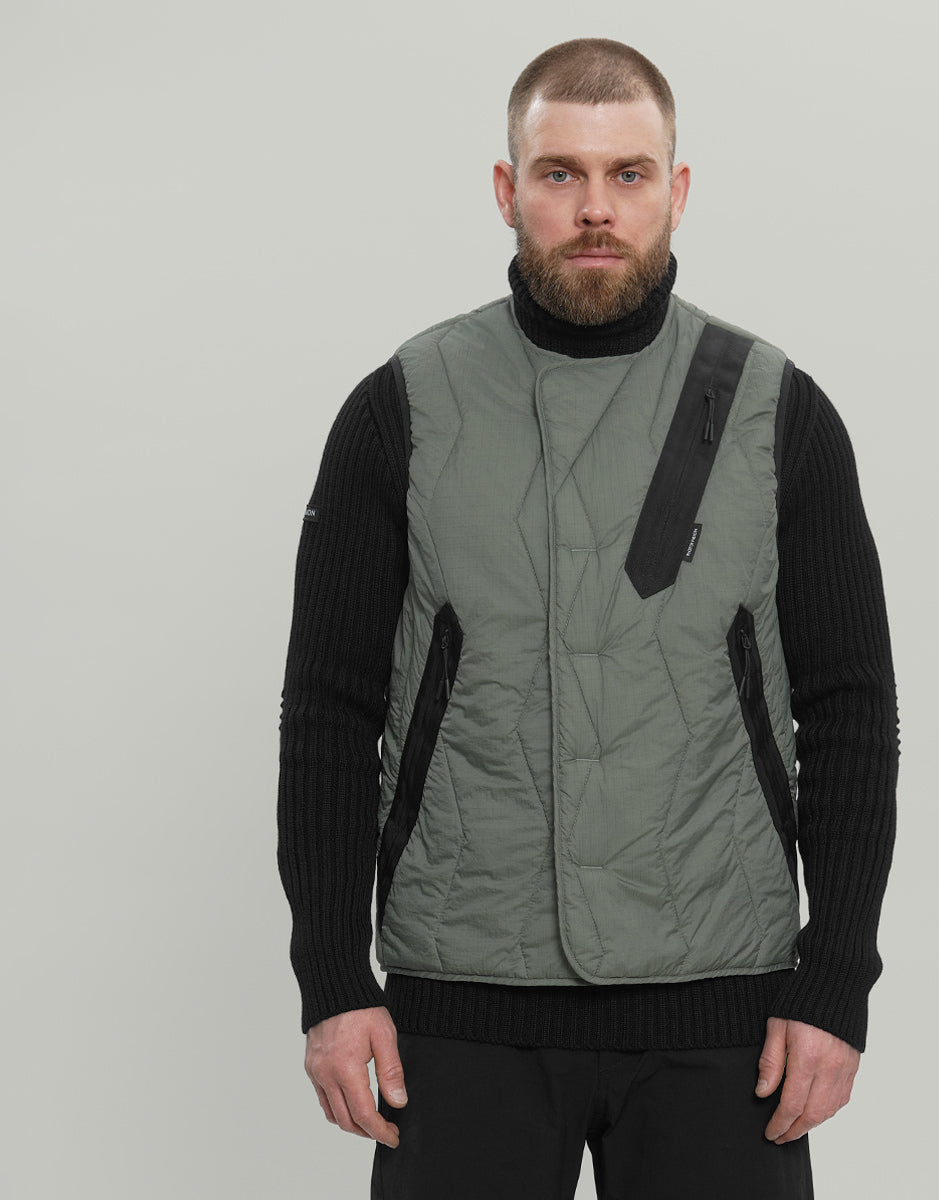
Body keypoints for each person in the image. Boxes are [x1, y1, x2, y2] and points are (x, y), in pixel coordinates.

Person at [277, 37, 900, 1200]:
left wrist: (835, 982)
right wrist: (332, 980)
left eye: (628, 173)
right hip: (460, 1013)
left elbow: (852, 712)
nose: (596, 208)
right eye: (560, 172)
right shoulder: (401, 407)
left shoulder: (774, 410)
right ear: (507, 189)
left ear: (678, 189)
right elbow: (327, 713)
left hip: (724, 1016)